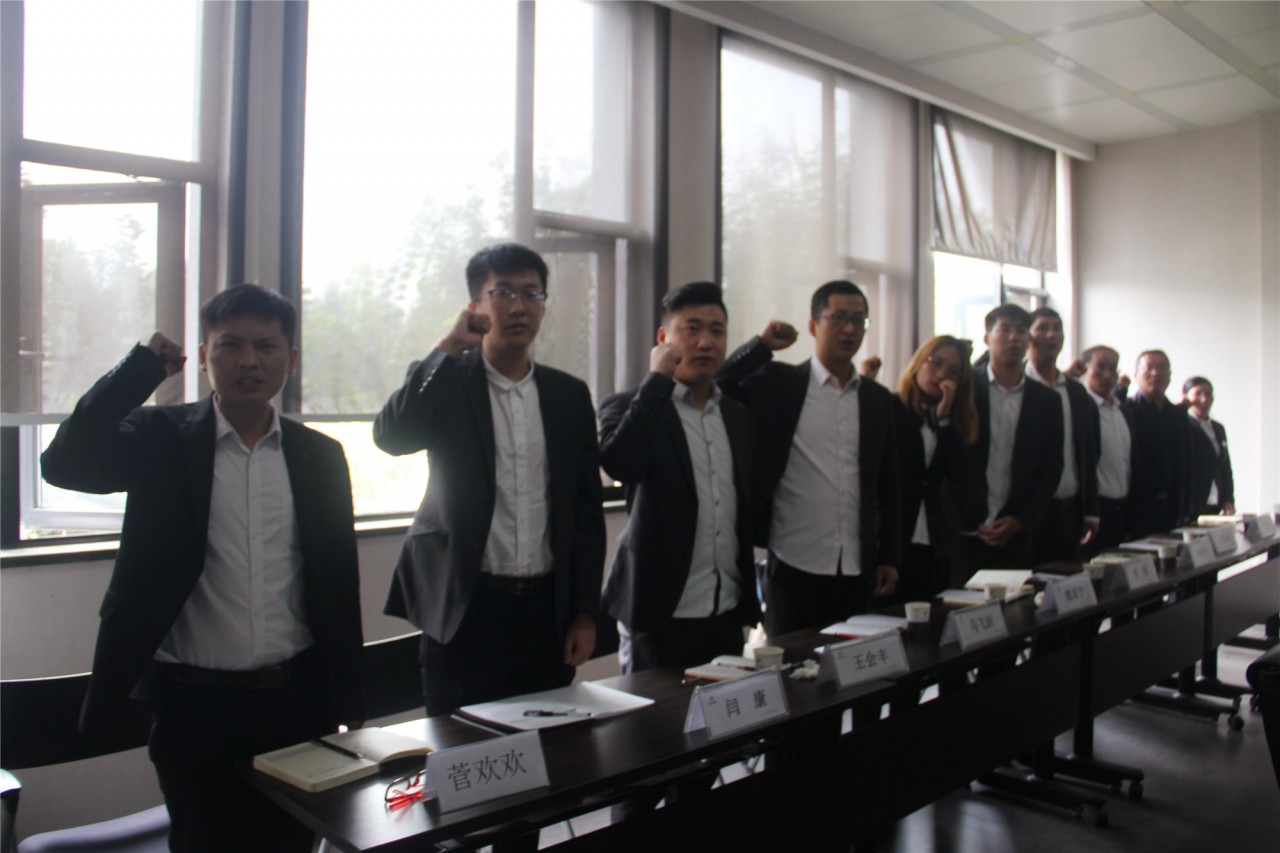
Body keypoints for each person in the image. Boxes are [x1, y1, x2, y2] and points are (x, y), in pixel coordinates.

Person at [40, 285, 365, 853]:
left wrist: (350, 702)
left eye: (266, 346)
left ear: (291, 359)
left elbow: (338, 588)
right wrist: (140, 370)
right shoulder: (160, 438)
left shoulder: (320, 455)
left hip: (296, 702)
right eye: (230, 344)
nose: (248, 360)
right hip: (194, 708)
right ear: (204, 355)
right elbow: (65, 463)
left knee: (293, 843)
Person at [375, 243, 605, 716]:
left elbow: (585, 510)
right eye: (503, 292)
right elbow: (392, 437)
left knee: (551, 743)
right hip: (464, 607)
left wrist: (585, 612)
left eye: (532, 294)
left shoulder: (567, 395)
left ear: (543, 306)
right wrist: (446, 348)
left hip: (546, 612)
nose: (519, 306)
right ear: (475, 306)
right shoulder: (445, 378)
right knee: (461, 744)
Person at [719, 280, 900, 637]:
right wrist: (762, 346)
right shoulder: (781, 384)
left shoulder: (877, 399)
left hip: (856, 565)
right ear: (814, 325)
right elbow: (721, 382)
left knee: (852, 663)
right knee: (792, 663)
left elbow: (887, 484)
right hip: (793, 561)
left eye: (858, 320)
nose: (849, 329)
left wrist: (889, 556)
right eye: (839, 318)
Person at [599, 282, 758, 671]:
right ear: (663, 338)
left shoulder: (736, 415)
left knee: (726, 710)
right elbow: (621, 465)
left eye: (717, 331)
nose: (705, 342)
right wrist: (657, 379)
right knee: (653, 714)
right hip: (658, 616)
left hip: (726, 611)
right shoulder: (628, 405)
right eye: (692, 329)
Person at [956, 303, 1063, 583]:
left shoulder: (1047, 401)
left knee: (1014, 605)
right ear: (986, 337)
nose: (1014, 337)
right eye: (1004, 329)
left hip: (1016, 533)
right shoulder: (964, 389)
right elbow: (951, 460)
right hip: (964, 531)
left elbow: (1051, 468)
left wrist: (1020, 520)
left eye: (1021, 331)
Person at [891, 336, 983, 600]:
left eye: (953, 372)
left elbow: (967, 486)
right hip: (894, 542)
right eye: (936, 363)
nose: (941, 375)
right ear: (919, 362)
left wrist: (944, 420)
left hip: (936, 543)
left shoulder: (954, 424)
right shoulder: (891, 408)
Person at [1026, 307, 1101, 561]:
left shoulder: (1075, 392)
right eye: (1043, 328)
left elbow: (1087, 452)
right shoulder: (1019, 386)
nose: (1051, 335)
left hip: (1069, 510)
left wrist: (1090, 510)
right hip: (1027, 513)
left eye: (1057, 328)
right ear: (1028, 336)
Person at [1124, 349, 1194, 537]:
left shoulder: (1178, 414)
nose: (1156, 373)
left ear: (1170, 375)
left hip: (1172, 507)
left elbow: (1186, 463)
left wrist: (1186, 507)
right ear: (1136, 374)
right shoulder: (1127, 410)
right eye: (1149, 368)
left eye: (1162, 368)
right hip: (1136, 508)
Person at [1081, 345, 1138, 554]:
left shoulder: (1123, 410)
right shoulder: (1081, 407)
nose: (1107, 375)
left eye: (1113, 368)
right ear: (1084, 369)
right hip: (1093, 511)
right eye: (1100, 367)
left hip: (1122, 510)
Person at [1182, 376, 1236, 516]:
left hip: (1215, 500)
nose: (1204, 399)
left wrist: (1228, 499)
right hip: (1192, 503)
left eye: (1208, 394)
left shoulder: (1218, 428)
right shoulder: (1183, 424)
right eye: (1198, 394)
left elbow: (1225, 467)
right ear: (1186, 397)